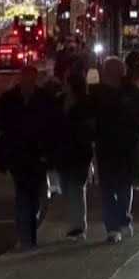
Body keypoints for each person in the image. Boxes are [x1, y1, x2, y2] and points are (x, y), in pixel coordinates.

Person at [0, 65, 59, 249]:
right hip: (18, 155)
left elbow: (55, 129)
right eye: (26, 80)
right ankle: (27, 236)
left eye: (31, 80)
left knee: (35, 195)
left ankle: (28, 232)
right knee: (24, 193)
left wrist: (52, 154)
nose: (28, 84)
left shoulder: (43, 100)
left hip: (37, 155)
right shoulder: (9, 101)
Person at [90, 57, 139, 242]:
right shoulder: (131, 92)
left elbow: (91, 120)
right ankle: (123, 221)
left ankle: (113, 226)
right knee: (124, 184)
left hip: (106, 146)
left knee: (108, 186)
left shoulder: (97, 94)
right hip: (126, 146)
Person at [55, 72, 93, 239]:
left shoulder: (84, 103)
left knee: (75, 188)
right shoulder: (62, 101)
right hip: (68, 151)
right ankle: (75, 224)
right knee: (70, 188)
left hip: (76, 152)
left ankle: (77, 225)